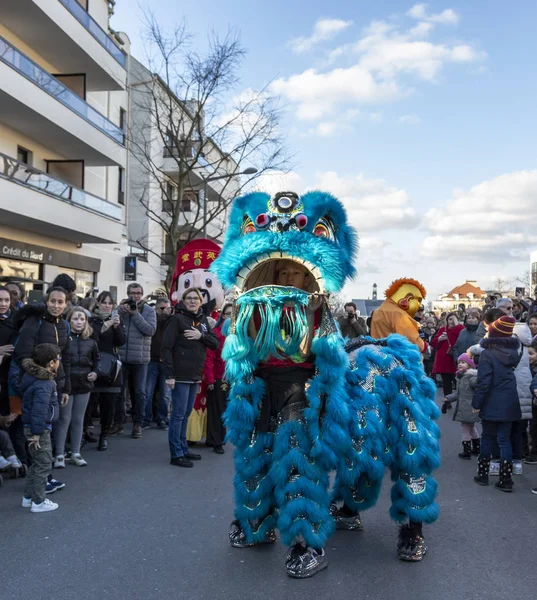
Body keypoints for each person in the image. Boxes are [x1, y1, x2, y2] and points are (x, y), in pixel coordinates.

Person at [162, 288, 219, 468]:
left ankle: (183, 448)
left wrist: (200, 335)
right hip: (179, 375)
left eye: (196, 298)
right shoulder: (177, 320)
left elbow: (215, 343)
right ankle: (176, 454)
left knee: (186, 414)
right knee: (178, 415)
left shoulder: (202, 321)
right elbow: (166, 348)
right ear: (183, 301)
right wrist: (169, 374)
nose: (193, 301)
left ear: (200, 302)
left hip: (196, 375)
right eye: (189, 298)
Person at [472, 316, 521, 492]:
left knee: (487, 437)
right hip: (510, 400)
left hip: (491, 401)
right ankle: (506, 479)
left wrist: (477, 403)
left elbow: (484, 382)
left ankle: (483, 475)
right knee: (505, 440)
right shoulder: (513, 353)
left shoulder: (487, 354)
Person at [54, 308, 99, 468]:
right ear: (69, 321)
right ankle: (59, 454)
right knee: (64, 419)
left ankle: (75, 452)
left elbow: (97, 360)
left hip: (84, 384)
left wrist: (95, 372)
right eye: (75, 319)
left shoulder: (91, 341)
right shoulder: (64, 339)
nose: (79, 322)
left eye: (82, 319)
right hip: (67, 384)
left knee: (78, 420)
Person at [20, 343, 61, 513]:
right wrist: (37, 434)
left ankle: (28, 497)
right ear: (51, 363)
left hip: (32, 427)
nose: (59, 361)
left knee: (36, 464)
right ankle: (39, 502)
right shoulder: (45, 383)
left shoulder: (32, 377)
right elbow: (39, 410)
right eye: (58, 359)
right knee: (43, 464)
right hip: (39, 429)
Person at [116, 283, 156, 439]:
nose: (135, 296)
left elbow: (150, 330)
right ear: (127, 294)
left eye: (138, 293)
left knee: (139, 392)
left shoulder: (149, 311)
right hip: (122, 357)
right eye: (132, 293)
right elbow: (112, 322)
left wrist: (135, 314)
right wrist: (120, 310)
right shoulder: (122, 309)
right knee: (119, 391)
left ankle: (138, 423)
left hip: (140, 359)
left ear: (142, 294)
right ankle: (118, 422)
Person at [88, 292, 125, 450]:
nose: (107, 306)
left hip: (110, 367)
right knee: (89, 403)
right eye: (104, 303)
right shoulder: (92, 320)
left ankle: (103, 434)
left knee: (108, 403)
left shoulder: (117, 320)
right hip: (93, 364)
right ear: (98, 303)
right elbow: (92, 337)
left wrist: (116, 327)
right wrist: (106, 325)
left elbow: (121, 341)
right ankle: (84, 432)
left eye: (110, 303)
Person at [370, 278, 428, 352]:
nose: (420, 305)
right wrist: (424, 345)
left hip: (379, 354)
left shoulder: (379, 311)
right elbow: (410, 339)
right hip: (396, 357)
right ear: (409, 298)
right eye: (419, 300)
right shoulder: (399, 314)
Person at [442, 353, 480, 459]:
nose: (460, 364)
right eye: (459, 362)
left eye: (463, 362)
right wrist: (448, 398)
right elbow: (458, 393)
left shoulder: (470, 377)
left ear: (470, 365)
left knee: (465, 429)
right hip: (467, 408)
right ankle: (477, 447)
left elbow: (476, 383)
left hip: (468, 408)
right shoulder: (461, 376)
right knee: (471, 427)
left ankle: (466, 450)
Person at [144, 297, 172, 430]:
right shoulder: (152, 319)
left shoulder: (172, 321)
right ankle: (146, 418)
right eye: (163, 308)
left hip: (166, 362)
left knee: (165, 394)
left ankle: (162, 419)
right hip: (152, 359)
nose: (166, 311)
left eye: (168, 308)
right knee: (148, 392)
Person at [431, 312, 465, 396]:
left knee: (458, 382)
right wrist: (439, 339)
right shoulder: (443, 329)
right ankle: (447, 401)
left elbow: (463, 338)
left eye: (454, 319)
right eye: (450, 319)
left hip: (456, 360)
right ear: (447, 321)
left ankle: (459, 400)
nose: (452, 321)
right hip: (444, 360)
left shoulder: (462, 329)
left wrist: (456, 327)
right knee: (446, 383)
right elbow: (433, 343)